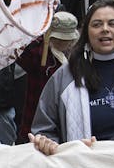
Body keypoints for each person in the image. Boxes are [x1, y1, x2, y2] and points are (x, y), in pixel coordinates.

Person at [31, 0, 114, 143]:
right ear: (86, 32)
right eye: (97, 24)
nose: (105, 29)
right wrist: (48, 143)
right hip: (82, 163)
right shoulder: (64, 76)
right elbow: (44, 129)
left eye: (113, 24)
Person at [16, 12, 79, 143]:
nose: (64, 43)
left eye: (67, 40)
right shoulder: (37, 53)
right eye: (60, 39)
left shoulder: (78, 57)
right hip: (35, 121)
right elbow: (17, 50)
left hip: (68, 119)